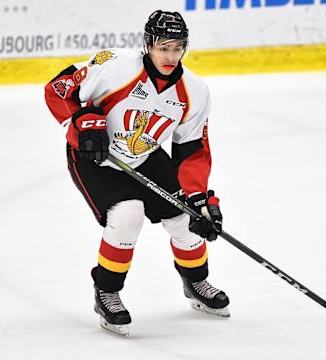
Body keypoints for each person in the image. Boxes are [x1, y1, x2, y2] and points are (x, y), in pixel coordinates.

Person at [44, 10, 229, 336]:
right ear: (147, 45)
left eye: (177, 48)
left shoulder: (194, 92)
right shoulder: (112, 66)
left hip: (145, 157)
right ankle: (107, 291)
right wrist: (79, 124)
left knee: (186, 218)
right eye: (163, 47)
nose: (170, 56)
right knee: (128, 214)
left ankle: (196, 282)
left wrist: (200, 199)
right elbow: (57, 90)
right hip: (95, 159)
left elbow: (193, 152)